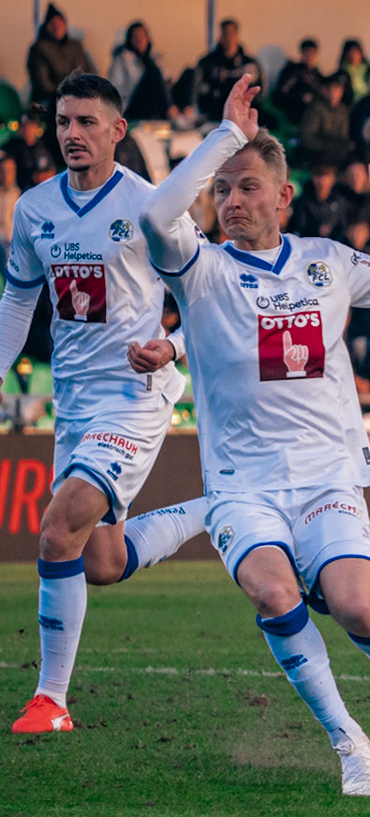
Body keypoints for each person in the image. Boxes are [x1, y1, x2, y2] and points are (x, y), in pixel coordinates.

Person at [139, 102, 370, 795]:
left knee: (360, 609)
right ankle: (348, 740)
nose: (231, 201)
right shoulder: (202, 269)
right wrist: (222, 138)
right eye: (221, 189)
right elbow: (156, 219)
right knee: (275, 594)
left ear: (284, 196)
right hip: (241, 486)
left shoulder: (327, 263)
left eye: (247, 186)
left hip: (326, 478)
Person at [3, 73, 249, 735]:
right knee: (100, 562)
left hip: (135, 397)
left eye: (87, 123)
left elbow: (207, 295)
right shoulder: (34, 210)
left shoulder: (150, 210)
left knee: (57, 528)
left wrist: (170, 348)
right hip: (75, 405)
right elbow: (20, 298)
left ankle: (50, 700)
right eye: (62, 123)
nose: (72, 135)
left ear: (118, 131)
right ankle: (217, 506)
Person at [184, 18, 256, 125]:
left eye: (231, 33)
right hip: (212, 115)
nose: (228, 38)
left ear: (237, 35)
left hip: (241, 114)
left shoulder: (249, 64)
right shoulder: (206, 63)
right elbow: (195, 88)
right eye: (225, 34)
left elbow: (258, 90)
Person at [26, 4, 95, 108]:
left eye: (60, 23)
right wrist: (65, 94)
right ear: (47, 26)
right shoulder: (38, 49)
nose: (57, 27)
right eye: (53, 24)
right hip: (49, 100)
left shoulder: (76, 46)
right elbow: (42, 83)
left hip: (79, 96)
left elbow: (89, 71)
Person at [107, 22, 171, 122]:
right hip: (133, 104)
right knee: (153, 74)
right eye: (135, 37)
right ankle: (171, 112)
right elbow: (114, 88)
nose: (139, 40)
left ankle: (176, 112)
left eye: (142, 36)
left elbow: (167, 80)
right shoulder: (123, 60)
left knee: (189, 73)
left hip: (156, 103)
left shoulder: (153, 59)